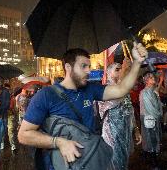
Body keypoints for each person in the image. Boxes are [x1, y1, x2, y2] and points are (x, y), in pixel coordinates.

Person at [18, 44, 147, 169]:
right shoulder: (46, 95)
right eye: (83, 66)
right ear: (68, 67)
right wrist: (58, 142)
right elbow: (24, 134)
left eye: (89, 66)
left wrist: (137, 62)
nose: (89, 71)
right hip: (62, 164)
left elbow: (121, 89)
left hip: (89, 159)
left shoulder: (90, 89)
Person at [98, 61, 142, 170]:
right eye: (117, 70)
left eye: (120, 69)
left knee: (123, 162)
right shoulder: (104, 89)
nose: (120, 72)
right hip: (111, 135)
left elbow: (130, 111)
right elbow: (115, 99)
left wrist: (136, 130)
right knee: (114, 163)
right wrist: (124, 71)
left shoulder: (124, 90)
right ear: (108, 73)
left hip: (125, 133)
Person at [139, 72, 163, 170]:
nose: (154, 78)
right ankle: (154, 163)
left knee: (150, 137)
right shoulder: (144, 93)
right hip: (148, 117)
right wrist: (158, 115)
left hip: (153, 117)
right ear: (146, 80)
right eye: (151, 78)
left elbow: (158, 104)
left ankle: (146, 154)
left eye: (153, 77)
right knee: (151, 138)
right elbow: (150, 109)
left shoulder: (152, 91)